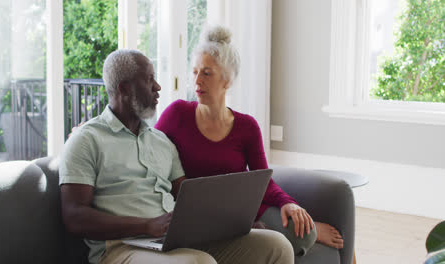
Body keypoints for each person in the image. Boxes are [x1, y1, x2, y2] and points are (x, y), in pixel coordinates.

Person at [59, 49, 295, 264]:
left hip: (172, 242)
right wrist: (147, 225)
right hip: (120, 248)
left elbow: (186, 198)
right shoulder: (86, 140)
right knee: (198, 263)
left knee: (276, 246)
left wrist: (231, 224)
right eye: (149, 79)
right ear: (124, 88)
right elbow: (74, 216)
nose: (158, 87)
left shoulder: (161, 141)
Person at [155, 25, 344, 256]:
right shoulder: (177, 114)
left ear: (227, 81)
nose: (197, 80)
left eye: (206, 73)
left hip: (240, 214)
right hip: (198, 217)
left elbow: (263, 179)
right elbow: (150, 152)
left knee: (304, 233)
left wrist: (288, 203)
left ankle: (284, 233)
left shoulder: (247, 126)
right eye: (194, 72)